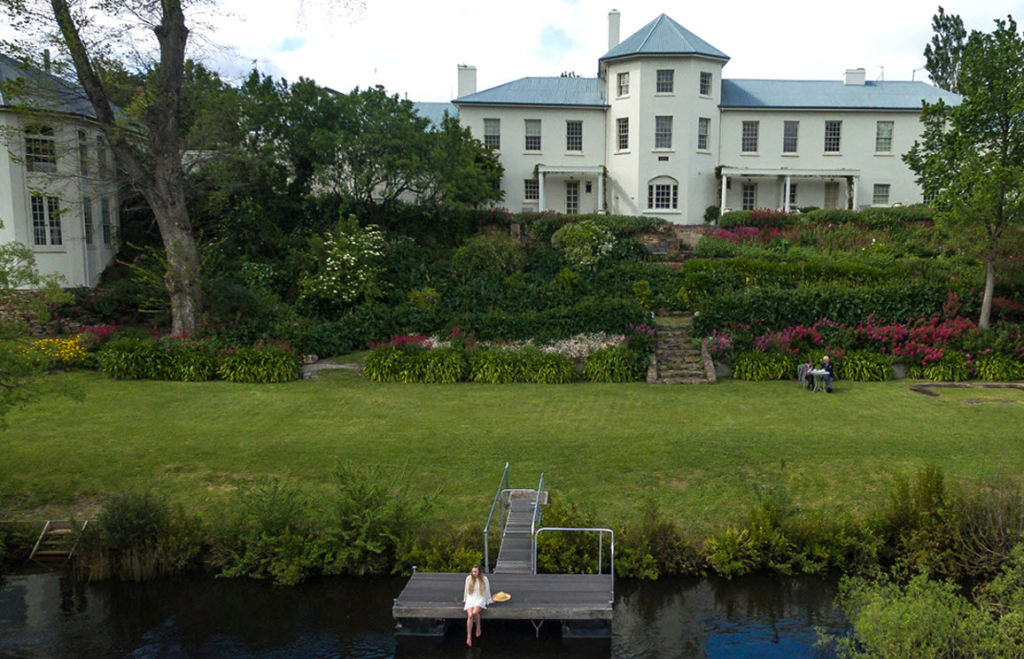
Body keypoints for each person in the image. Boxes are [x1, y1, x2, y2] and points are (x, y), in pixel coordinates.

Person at [463, 564, 492, 647]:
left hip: (480, 597)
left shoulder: (484, 579)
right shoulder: (468, 578)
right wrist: (465, 599)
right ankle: (469, 637)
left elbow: (487, 591)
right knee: (470, 615)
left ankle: (478, 627)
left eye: (475, 571)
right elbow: (466, 590)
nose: (473, 573)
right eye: (472, 571)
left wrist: (488, 600)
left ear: (479, 572)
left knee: (475, 613)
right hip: (471, 597)